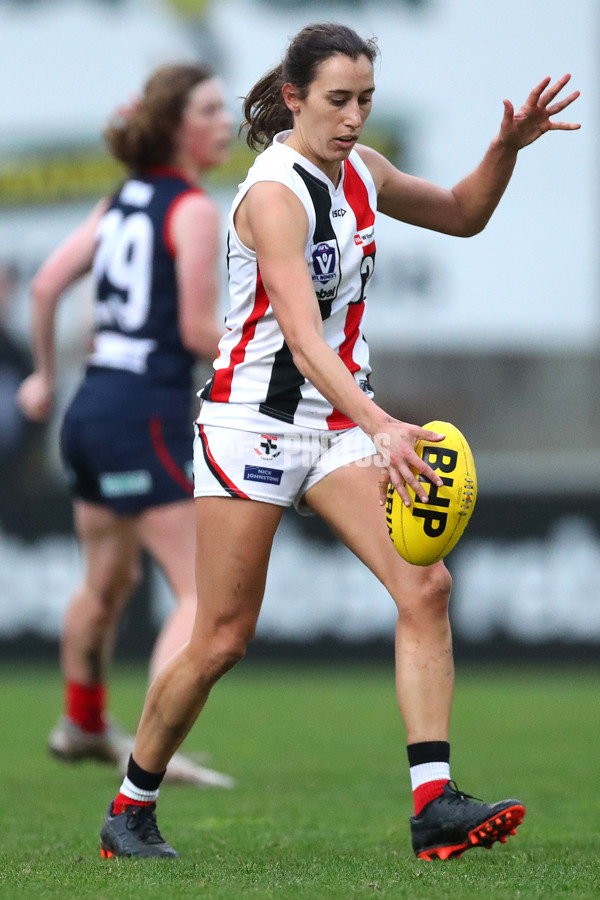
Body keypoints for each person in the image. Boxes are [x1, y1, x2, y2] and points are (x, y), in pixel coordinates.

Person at [97, 23, 580, 860]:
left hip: (334, 424)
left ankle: (434, 805)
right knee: (220, 638)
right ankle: (130, 807)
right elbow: (302, 337)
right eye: (337, 101)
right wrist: (384, 423)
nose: (354, 118)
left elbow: (464, 215)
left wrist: (505, 147)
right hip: (255, 422)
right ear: (293, 97)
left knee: (425, 589)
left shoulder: (362, 170)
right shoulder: (274, 192)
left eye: (366, 101)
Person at [17, 62, 235, 789]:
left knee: (107, 579)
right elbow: (200, 330)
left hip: (88, 406)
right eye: (209, 109)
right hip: (144, 412)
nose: (224, 121)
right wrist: (278, 342)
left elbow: (47, 285)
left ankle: (81, 722)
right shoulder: (195, 208)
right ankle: (148, 759)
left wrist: (45, 376)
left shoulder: (123, 198)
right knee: (202, 595)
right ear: (177, 125)